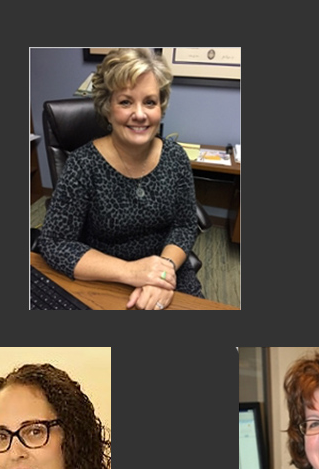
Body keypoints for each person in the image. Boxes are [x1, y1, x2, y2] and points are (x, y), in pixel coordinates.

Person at [38, 47, 202, 310]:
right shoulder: (84, 164)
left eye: (150, 102)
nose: (140, 114)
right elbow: (55, 243)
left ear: (161, 107)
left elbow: (184, 225)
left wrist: (161, 272)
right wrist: (131, 271)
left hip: (168, 274)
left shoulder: (175, 157)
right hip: (106, 279)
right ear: (107, 108)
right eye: (126, 102)